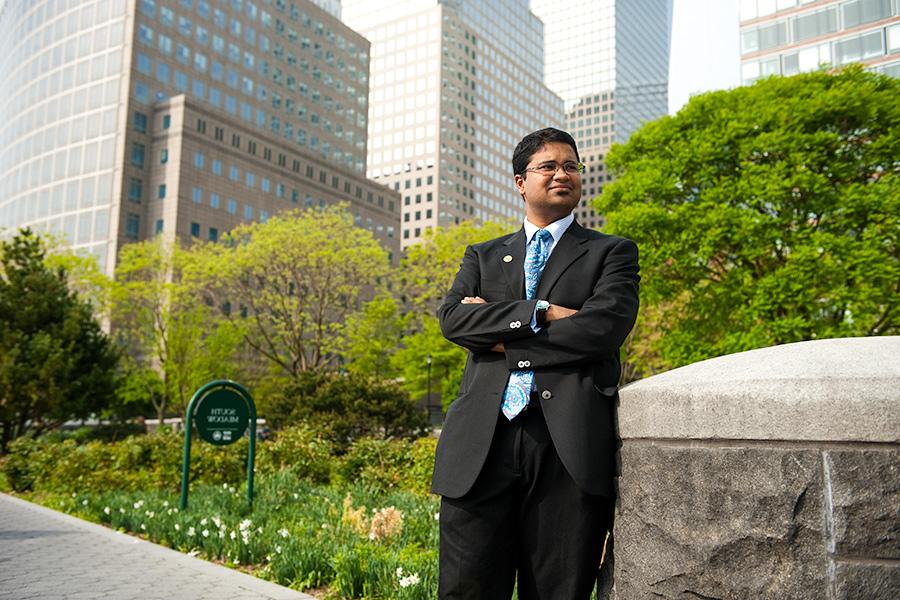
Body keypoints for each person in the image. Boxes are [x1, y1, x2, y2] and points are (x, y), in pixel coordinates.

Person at [432, 127, 640, 599]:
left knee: (556, 592)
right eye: (548, 166)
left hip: (565, 448)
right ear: (520, 182)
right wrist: (540, 312)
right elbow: (453, 321)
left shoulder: (612, 253)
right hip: (480, 448)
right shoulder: (482, 256)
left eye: (571, 165)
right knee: (466, 589)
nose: (562, 173)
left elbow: (602, 329)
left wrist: (500, 338)